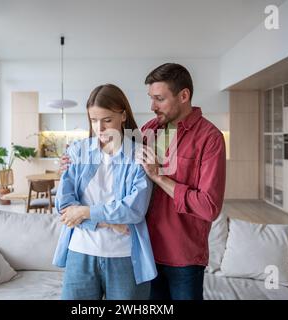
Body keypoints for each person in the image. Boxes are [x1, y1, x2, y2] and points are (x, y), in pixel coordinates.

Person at [61, 63, 226, 300]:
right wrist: (69, 163)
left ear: (184, 95)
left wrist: (159, 177)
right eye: (151, 98)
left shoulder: (210, 139)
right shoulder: (146, 132)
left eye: (159, 98)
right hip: (141, 251)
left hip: (182, 255)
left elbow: (209, 207)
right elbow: (111, 153)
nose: (152, 106)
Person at [52, 84, 157, 300]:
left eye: (107, 120)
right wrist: (108, 222)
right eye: (93, 120)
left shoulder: (139, 155)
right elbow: (64, 205)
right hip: (80, 252)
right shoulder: (78, 151)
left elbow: (134, 210)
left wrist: (84, 213)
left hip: (124, 256)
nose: (99, 128)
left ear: (123, 116)